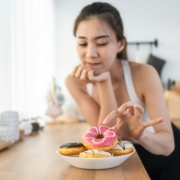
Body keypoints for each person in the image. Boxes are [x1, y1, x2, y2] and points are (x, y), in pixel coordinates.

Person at [65, 2, 180, 180]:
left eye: (101, 43)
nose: (90, 53)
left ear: (120, 45)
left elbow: (168, 146)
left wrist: (141, 135)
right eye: (82, 43)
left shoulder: (145, 74)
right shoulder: (74, 82)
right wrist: (104, 82)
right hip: (123, 155)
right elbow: (104, 136)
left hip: (162, 155)